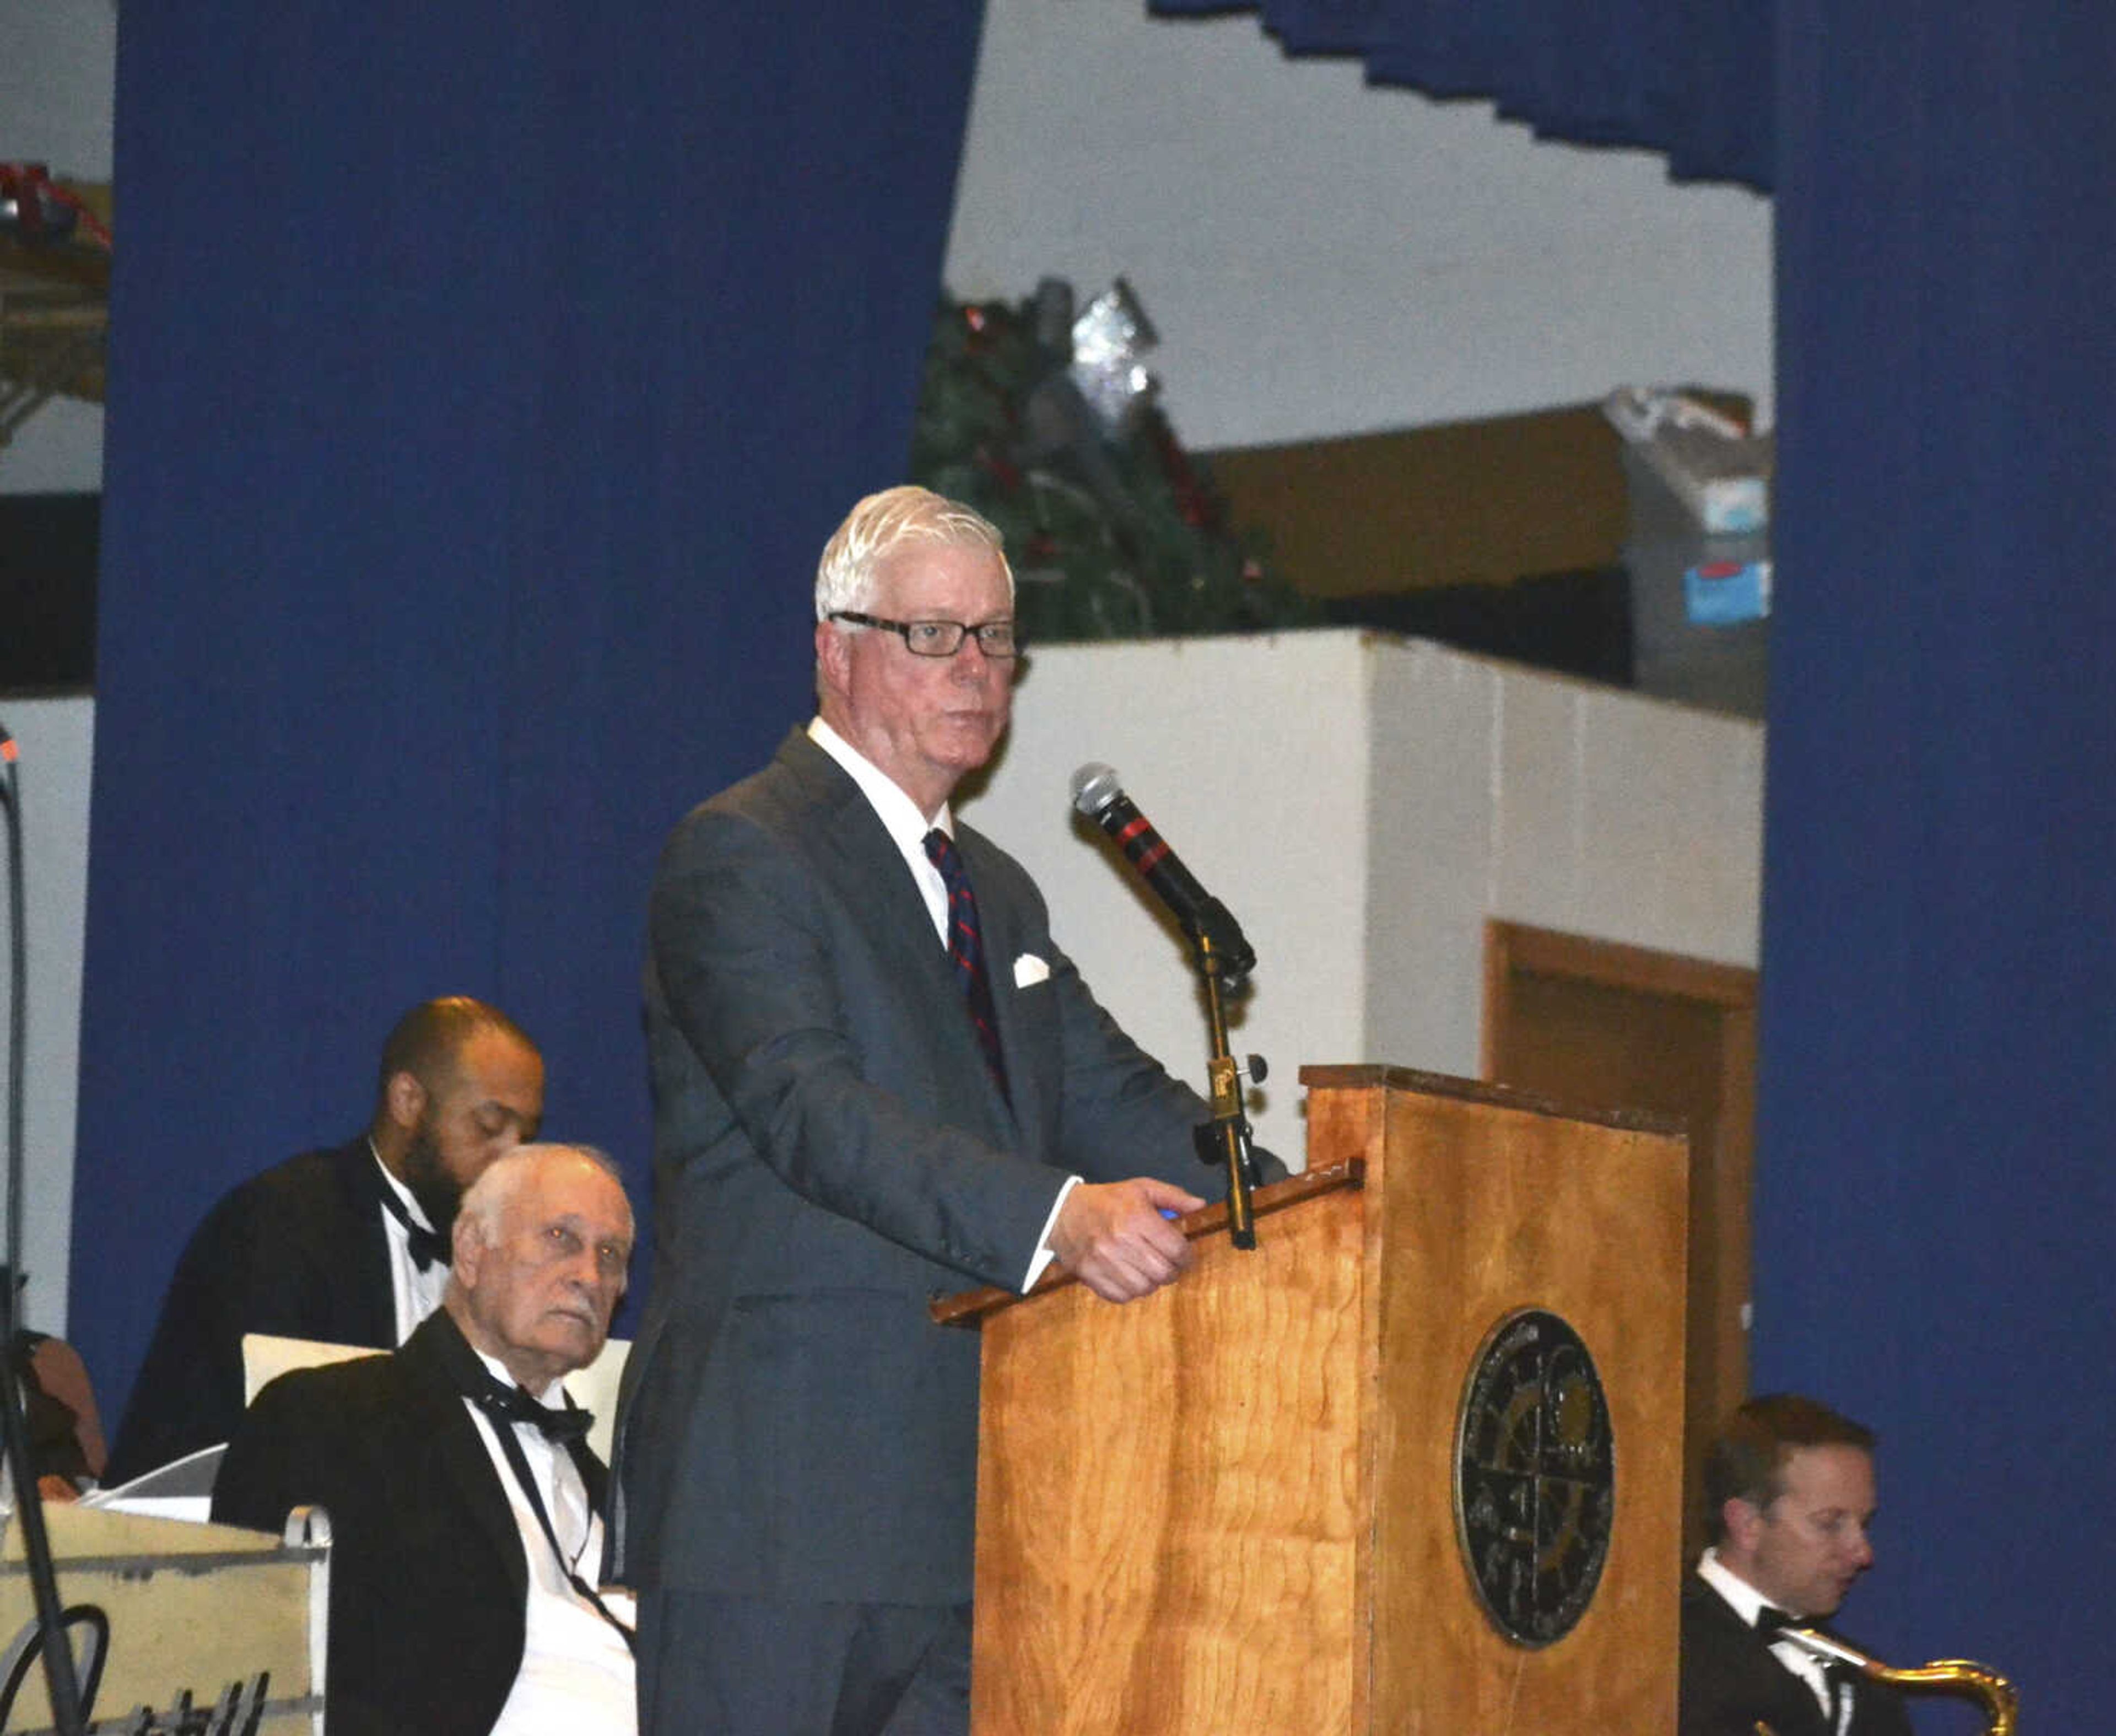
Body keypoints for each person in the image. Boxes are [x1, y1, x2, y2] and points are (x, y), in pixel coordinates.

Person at [615, 485, 1281, 1736]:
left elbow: (1113, 1094)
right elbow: (811, 1111)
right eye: (934, 635)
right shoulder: (741, 853)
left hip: (967, 1515)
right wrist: (1060, 1220)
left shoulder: (997, 893)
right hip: (778, 1506)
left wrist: (1314, 1193)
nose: (976, 670)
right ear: (835, 646)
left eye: (995, 639)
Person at [213, 1142, 637, 1736]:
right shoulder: (331, 1418)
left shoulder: (617, 1490)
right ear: (470, 1252)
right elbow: (257, 1667)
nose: (589, 1275)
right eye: (560, 1238)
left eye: (611, 1255)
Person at [107, 996, 545, 1482]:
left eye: (525, 1135)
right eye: (489, 1124)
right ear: (408, 1101)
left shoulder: (493, 1251)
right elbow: (270, 1441)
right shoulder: (283, 1223)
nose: (511, 1156)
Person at [1680, 1394, 1912, 1736]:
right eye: (1830, 1523)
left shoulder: (1870, 1681)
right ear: (1747, 1523)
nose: (1864, 1554)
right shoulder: (1662, 1654)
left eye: (1863, 1524)